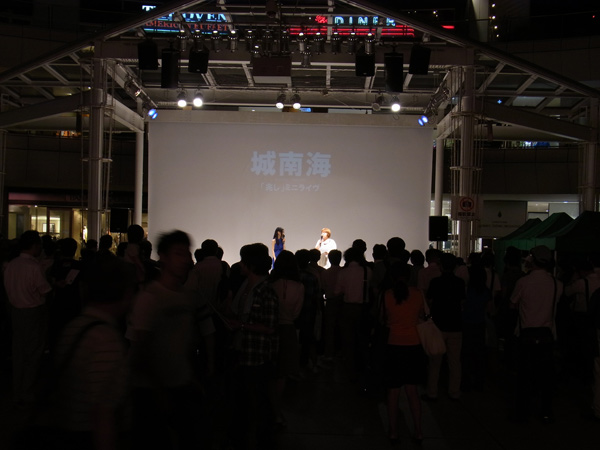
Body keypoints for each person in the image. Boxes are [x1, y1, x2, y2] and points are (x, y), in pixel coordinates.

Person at [128, 230, 214, 449]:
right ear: (163, 257)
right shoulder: (150, 297)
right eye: (179, 253)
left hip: (178, 386)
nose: (185, 259)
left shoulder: (186, 297)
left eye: (187, 253)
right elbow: (141, 348)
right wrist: (159, 391)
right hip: (152, 392)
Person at [49, 254, 136, 450]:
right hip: (87, 435)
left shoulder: (75, 326)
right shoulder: (106, 339)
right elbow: (102, 414)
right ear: (126, 293)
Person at [228, 243, 279, 450]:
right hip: (244, 352)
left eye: (243, 261)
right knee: (246, 401)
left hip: (257, 356)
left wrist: (240, 325)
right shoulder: (248, 286)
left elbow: (270, 326)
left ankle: (259, 440)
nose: (240, 264)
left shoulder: (265, 290)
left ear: (250, 264)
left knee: (256, 402)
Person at [510, 245, 563, 423]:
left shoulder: (523, 282)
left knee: (524, 376)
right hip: (547, 335)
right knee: (546, 377)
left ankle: (522, 411)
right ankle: (545, 410)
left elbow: (513, 304)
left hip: (526, 334)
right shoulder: (556, 284)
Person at [4, 230, 52, 407]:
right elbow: (44, 289)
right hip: (33, 311)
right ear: (35, 246)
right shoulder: (34, 266)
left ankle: (17, 391)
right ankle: (27, 390)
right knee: (33, 352)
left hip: (15, 311)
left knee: (18, 352)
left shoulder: (11, 265)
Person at [382, 263, 425, 444]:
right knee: (412, 391)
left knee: (393, 392)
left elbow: (383, 318)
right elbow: (422, 315)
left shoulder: (387, 295)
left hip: (393, 344)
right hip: (414, 344)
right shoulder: (418, 294)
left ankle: (393, 431)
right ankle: (418, 431)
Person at [268, 250, 304, 429]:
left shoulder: (270, 284)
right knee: (282, 372)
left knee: (269, 370)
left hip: (270, 329)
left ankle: (270, 408)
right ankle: (276, 410)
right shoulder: (299, 287)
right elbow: (297, 312)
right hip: (288, 329)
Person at [425, 253, 465, 400]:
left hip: (438, 325)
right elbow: (462, 301)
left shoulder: (435, 282)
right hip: (455, 324)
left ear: (441, 266)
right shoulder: (460, 282)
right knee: (455, 362)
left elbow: (429, 299)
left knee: (435, 362)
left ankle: (432, 392)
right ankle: (454, 391)